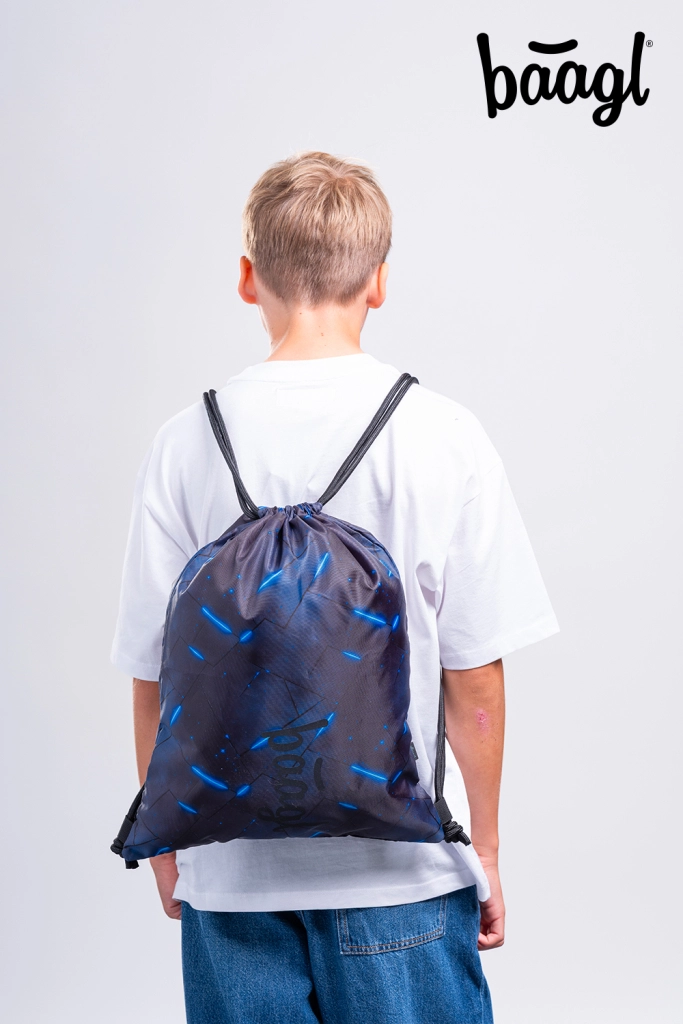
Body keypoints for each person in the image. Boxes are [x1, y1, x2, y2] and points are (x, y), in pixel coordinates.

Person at [111, 151, 559, 1024]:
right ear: (379, 281)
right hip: (406, 875)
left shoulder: (183, 442)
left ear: (248, 277)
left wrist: (168, 849)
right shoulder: (443, 435)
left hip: (231, 884)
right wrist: (485, 850)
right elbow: (473, 678)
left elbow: (154, 674)